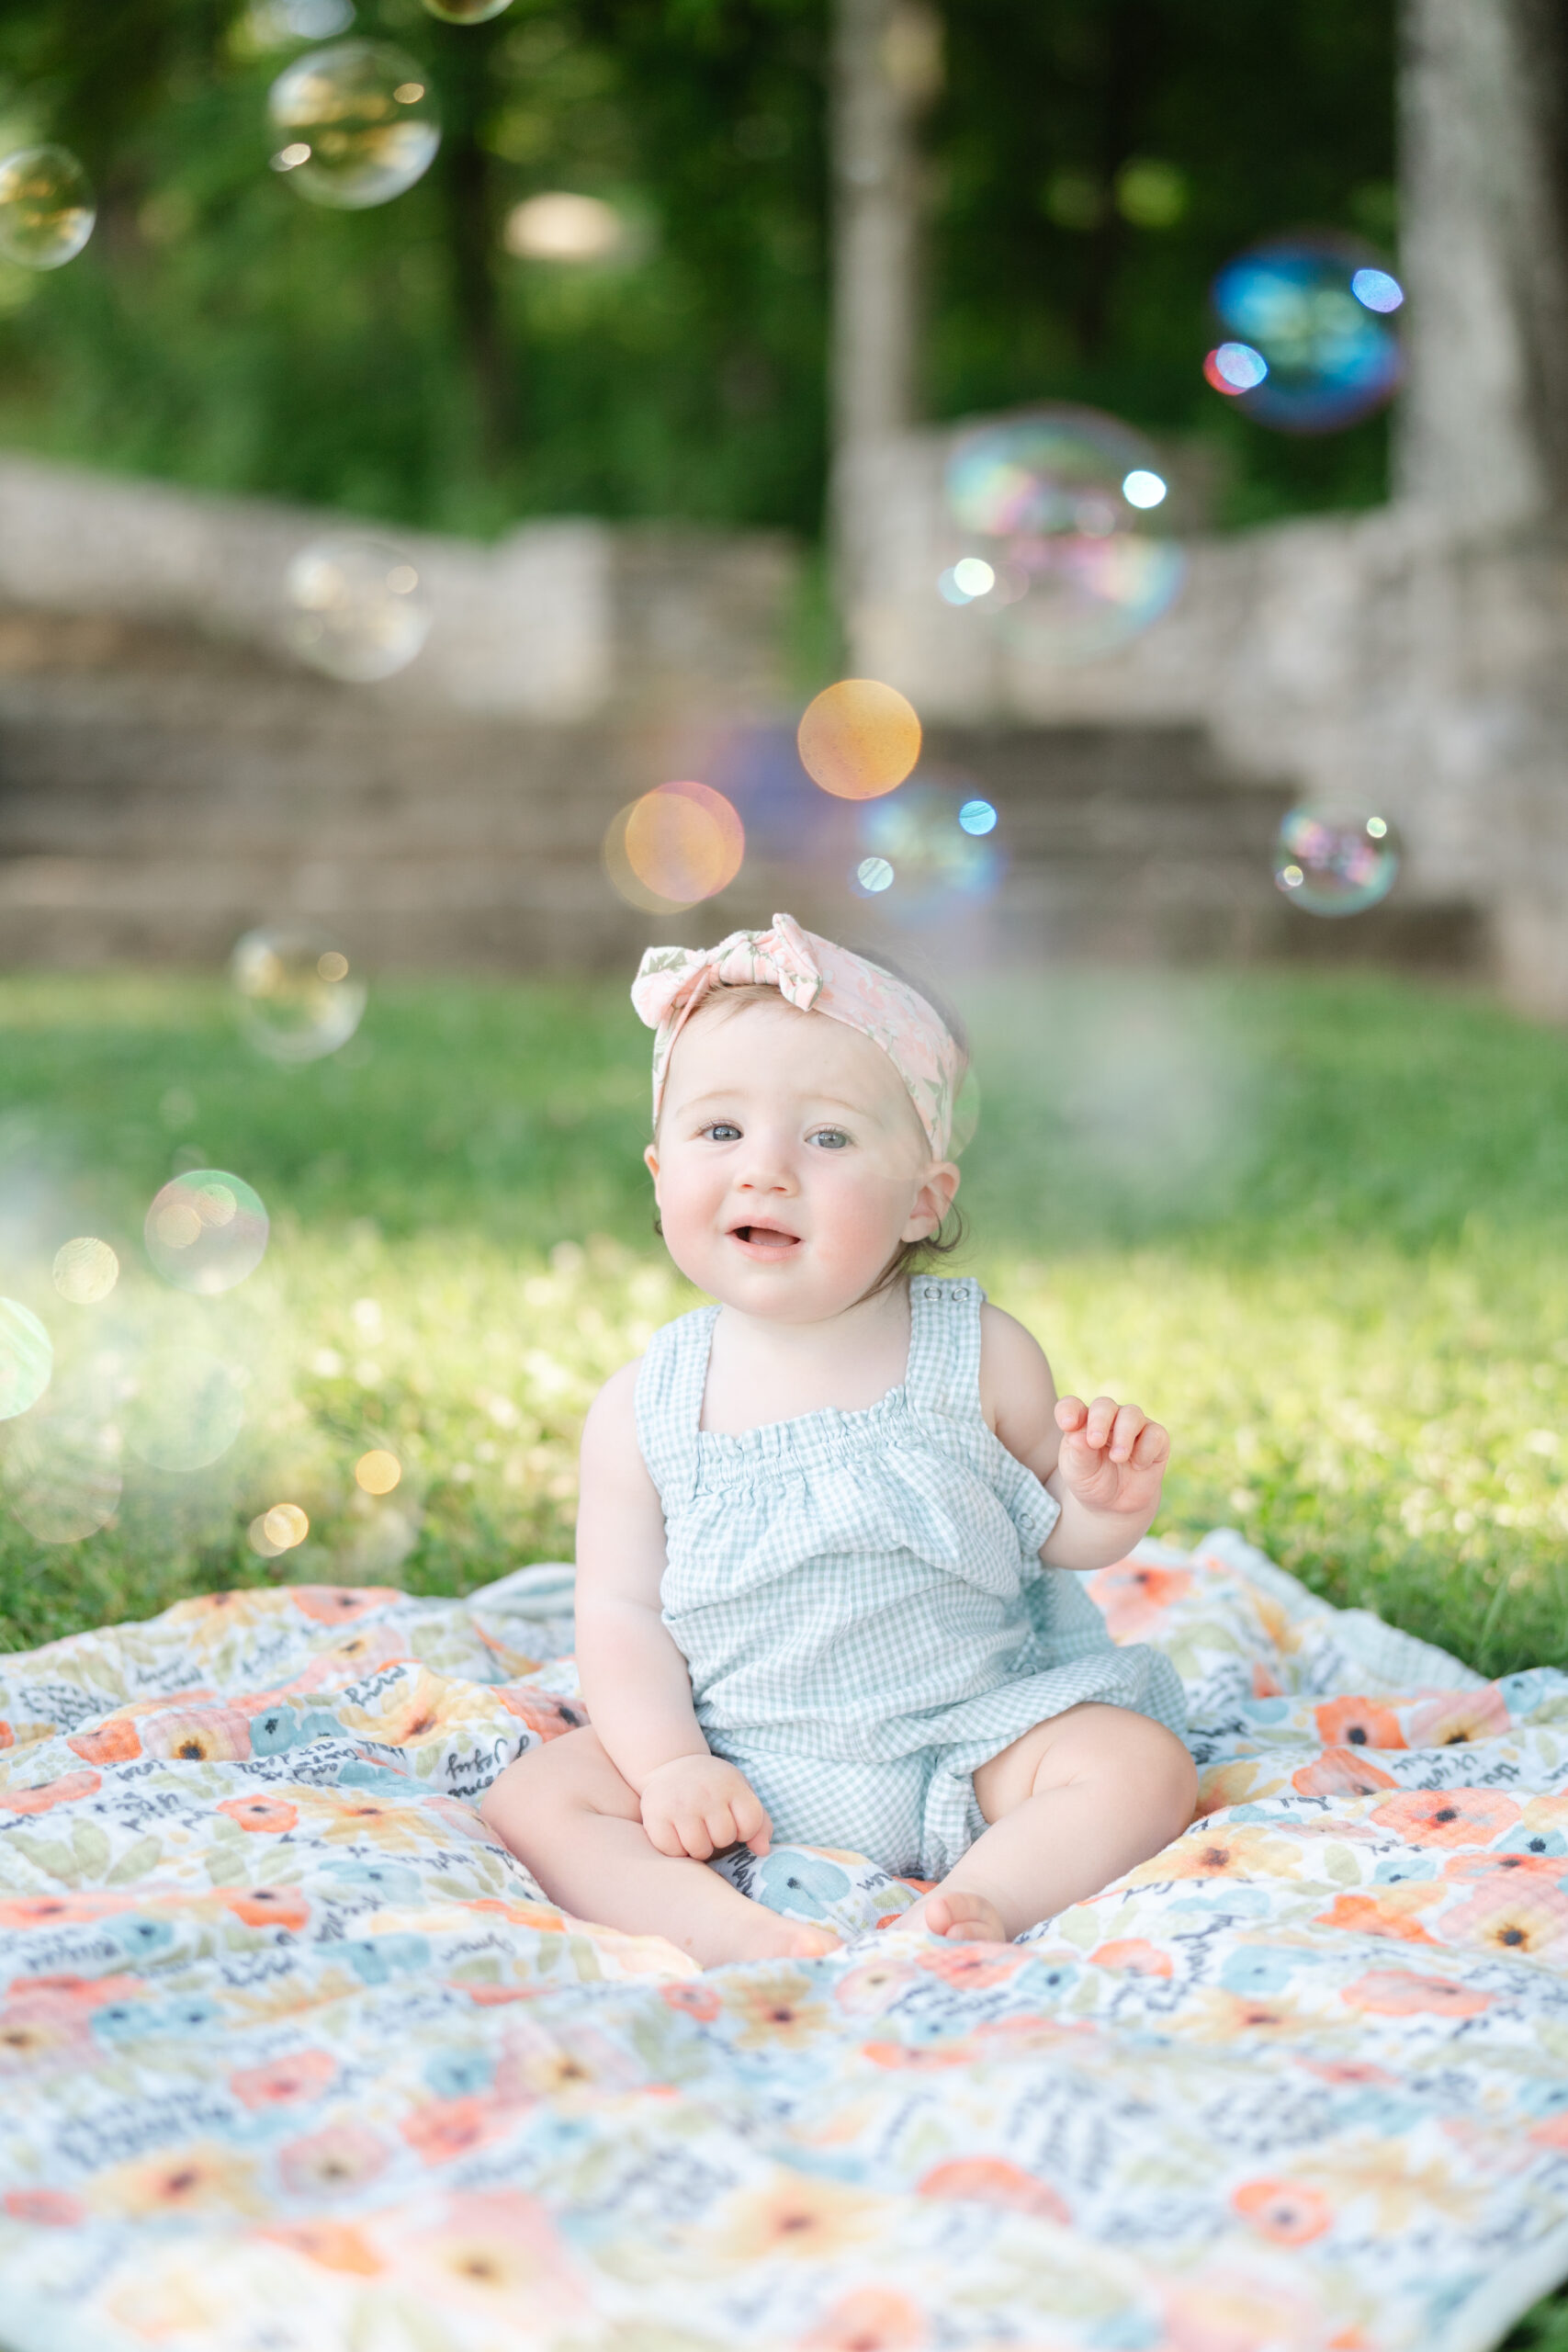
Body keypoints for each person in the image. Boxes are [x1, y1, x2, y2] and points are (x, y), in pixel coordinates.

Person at [481, 914, 1196, 1966]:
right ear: (657, 1169)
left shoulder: (982, 1355)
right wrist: (674, 1764)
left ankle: (983, 1898)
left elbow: (1055, 1534)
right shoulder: (646, 1406)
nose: (766, 1171)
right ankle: (716, 1923)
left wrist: (1106, 1502)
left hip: (968, 1744)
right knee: (537, 1797)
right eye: (720, 1132)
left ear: (923, 1199)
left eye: (827, 1137)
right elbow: (620, 1612)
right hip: (739, 1754)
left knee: (1142, 1765)